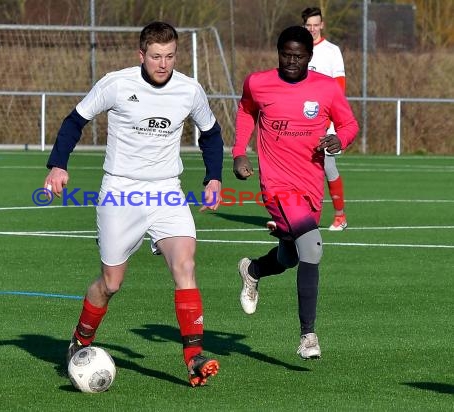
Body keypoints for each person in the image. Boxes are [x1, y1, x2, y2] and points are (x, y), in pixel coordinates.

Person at [43, 21, 223, 387]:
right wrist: (58, 165)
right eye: (156, 56)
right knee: (111, 283)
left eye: (170, 56)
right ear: (141, 55)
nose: (163, 64)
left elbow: (211, 133)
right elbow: (74, 121)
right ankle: (81, 338)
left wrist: (213, 177)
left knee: (185, 264)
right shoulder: (117, 83)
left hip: (166, 192)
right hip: (120, 192)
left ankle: (193, 357)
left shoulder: (189, 90)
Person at [232, 26, 358, 359]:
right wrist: (239, 152)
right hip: (276, 185)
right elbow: (246, 110)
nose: (291, 61)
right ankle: (308, 336)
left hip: (310, 186)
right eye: (285, 54)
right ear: (278, 53)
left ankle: (253, 270)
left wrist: (339, 139)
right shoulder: (258, 83)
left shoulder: (326, 89)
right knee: (313, 247)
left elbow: (350, 125)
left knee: (290, 257)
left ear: (309, 57)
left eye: (298, 56)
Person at [302, 7, 349, 231]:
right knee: (300, 166)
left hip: (325, 120)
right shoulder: (299, 48)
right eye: (308, 25)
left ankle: (340, 215)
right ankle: (296, 216)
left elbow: (339, 86)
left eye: (315, 24)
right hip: (300, 123)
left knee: (328, 165)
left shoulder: (332, 51)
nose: (312, 28)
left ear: (322, 25)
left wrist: (331, 116)